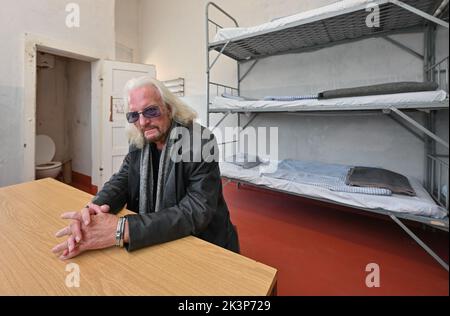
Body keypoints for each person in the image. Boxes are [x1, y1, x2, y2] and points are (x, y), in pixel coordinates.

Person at [52, 76, 239, 260]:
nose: (142, 122)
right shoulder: (139, 140)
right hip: (156, 238)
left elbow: (197, 209)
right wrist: (93, 210)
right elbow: (123, 180)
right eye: (134, 115)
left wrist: (123, 229)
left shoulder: (201, 141)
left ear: (168, 108)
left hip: (203, 244)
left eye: (150, 111)